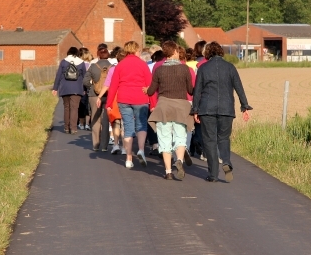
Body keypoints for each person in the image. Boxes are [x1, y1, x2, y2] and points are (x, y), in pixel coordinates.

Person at [191, 41, 252, 182]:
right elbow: (239, 87)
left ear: (207, 53)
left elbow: (197, 91)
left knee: (209, 140)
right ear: (221, 52)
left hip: (206, 109)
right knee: (224, 138)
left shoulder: (203, 68)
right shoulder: (230, 67)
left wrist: (195, 110)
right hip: (226, 108)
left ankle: (213, 174)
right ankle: (226, 161)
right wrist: (245, 106)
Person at [146, 41, 194, 180]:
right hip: (181, 107)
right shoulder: (184, 69)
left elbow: (151, 91)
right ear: (174, 52)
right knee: (180, 137)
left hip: (164, 107)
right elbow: (190, 90)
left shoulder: (159, 70)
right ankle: (179, 160)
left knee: (164, 139)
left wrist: (146, 90)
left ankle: (168, 172)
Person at [106, 41, 152, 169]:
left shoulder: (120, 65)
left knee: (128, 127)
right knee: (141, 125)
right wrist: (153, 102)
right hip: (141, 99)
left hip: (124, 99)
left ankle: (128, 158)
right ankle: (141, 150)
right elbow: (150, 85)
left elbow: (113, 85)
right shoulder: (142, 65)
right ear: (136, 50)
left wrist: (109, 103)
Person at [96, 49, 127, 155]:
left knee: (115, 122)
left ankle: (116, 144)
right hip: (126, 97)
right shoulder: (129, 69)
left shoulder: (113, 69)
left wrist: (99, 96)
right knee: (125, 123)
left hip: (114, 98)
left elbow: (107, 84)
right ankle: (124, 147)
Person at [52, 47, 86, 134]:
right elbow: (85, 77)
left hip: (65, 88)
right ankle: (73, 128)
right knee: (74, 108)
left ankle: (66, 128)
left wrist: (55, 88)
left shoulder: (63, 61)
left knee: (67, 108)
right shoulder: (81, 63)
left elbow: (58, 75)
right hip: (77, 89)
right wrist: (84, 89)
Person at [84, 46, 112, 152]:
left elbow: (85, 81)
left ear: (98, 54)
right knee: (105, 120)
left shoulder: (93, 66)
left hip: (94, 95)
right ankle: (104, 146)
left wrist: (91, 87)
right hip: (108, 96)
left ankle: (95, 144)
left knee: (95, 120)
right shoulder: (112, 67)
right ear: (108, 55)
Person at [78, 48, 93, 130]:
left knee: (81, 106)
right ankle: (87, 124)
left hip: (80, 87)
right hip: (88, 87)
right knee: (88, 106)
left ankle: (81, 123)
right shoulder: (91, 65)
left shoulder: (80, 65)